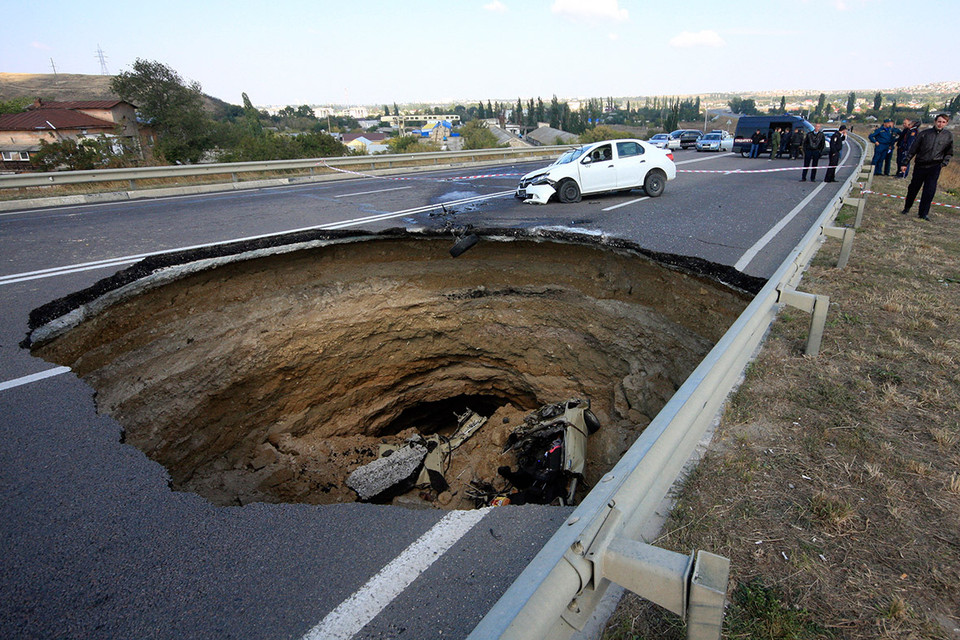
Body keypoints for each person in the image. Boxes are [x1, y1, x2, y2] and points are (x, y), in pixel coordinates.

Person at [900, 113, 953, 220]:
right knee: (913, 188)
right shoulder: (924, 134)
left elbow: (949, 152)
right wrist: (905, 163)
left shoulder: (948, 136)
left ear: (946, 123)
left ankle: (923, 213)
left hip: (935, 167)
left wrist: (943, 163)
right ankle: (907, 207)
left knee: (929, 191)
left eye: (943, 122)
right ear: (935, 121)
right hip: (920, 165)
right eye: (939, 121)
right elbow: (913, 149)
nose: (940, 124)